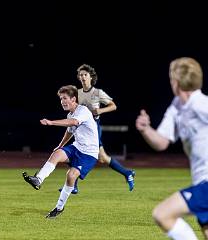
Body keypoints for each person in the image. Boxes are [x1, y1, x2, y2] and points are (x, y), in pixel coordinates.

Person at [136, 57, 208, 240]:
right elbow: (162, 142)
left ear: (176, 82)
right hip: (200, 181)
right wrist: (146, 129)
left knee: (163, 214)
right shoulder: (177, 107)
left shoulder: (201, 104)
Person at [22, 85, 99, 218]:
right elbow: (69, 131)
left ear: (74, 99)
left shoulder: (83, 111)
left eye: (65, 98)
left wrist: (51, 122)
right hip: (77, 147)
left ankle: (59, 208)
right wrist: (60, 145)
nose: (62, 101)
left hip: (89, 154)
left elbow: (74, 122)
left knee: (71, 176)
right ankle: (38, 180)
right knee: (56, 154)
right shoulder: (70, 114)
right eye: (61, 99)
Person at [60, 64, 135, 194]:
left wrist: (100, 110)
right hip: (79, 128)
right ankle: (127, 172)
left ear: (91, 77)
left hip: (93, 128)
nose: (82, 77)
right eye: (81, 75)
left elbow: (113, 106)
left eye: (85, 74)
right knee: (98, 156)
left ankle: (127, 172)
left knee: (96, 155)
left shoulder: (98, 93)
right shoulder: (76, 93)